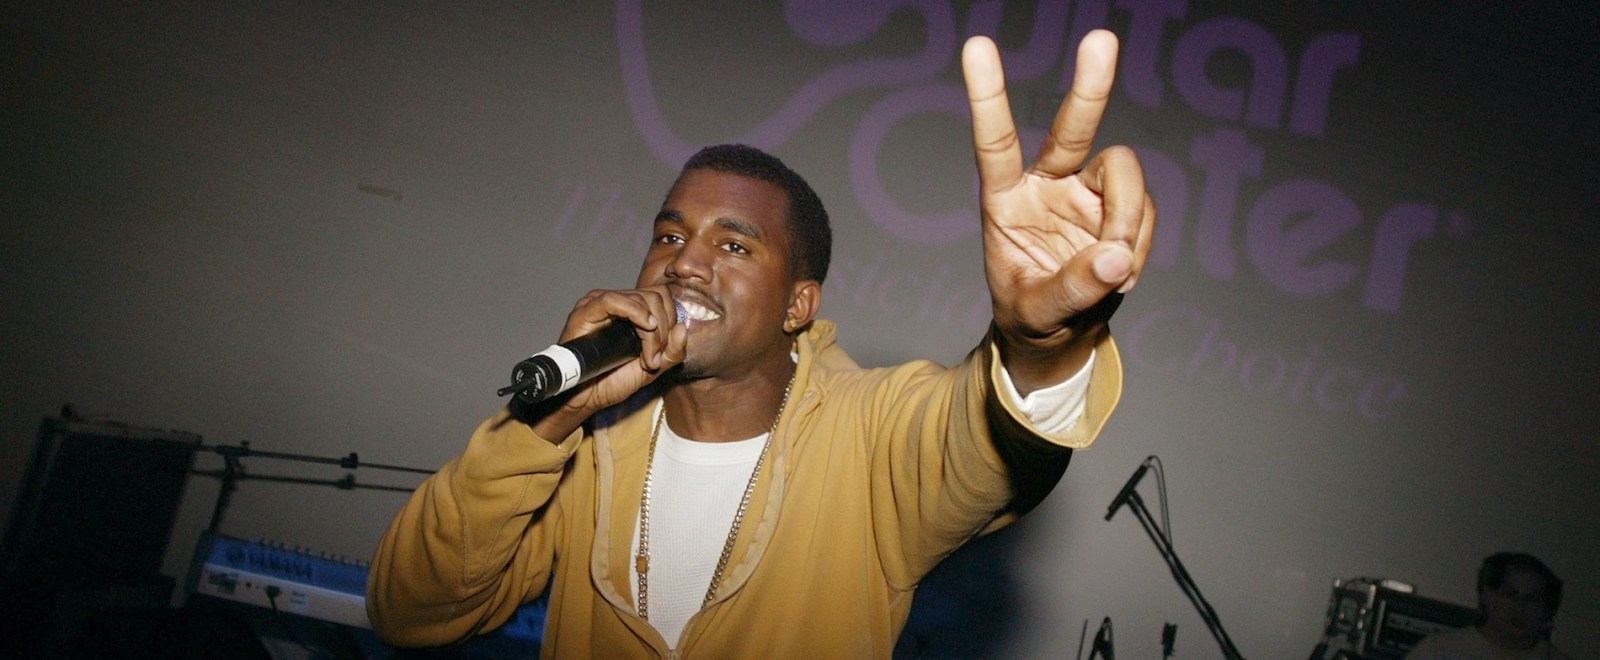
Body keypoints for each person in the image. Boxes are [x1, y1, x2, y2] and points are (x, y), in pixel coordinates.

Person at [368, 30, 1154, 657]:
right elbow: (409, 611)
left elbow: (979, 441)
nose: (685, 262)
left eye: (734, 245)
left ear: (797, 305)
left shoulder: (870, 434)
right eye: (669, 235)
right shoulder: (587, 442)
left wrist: (1040, 341)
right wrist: (549, 423)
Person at [1405, 552, 1571, 660]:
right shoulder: (1438, 652)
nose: (1520, 608)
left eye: (1533, 600)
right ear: (1486, 595)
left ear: (1547, 609)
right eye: (1510, 595)